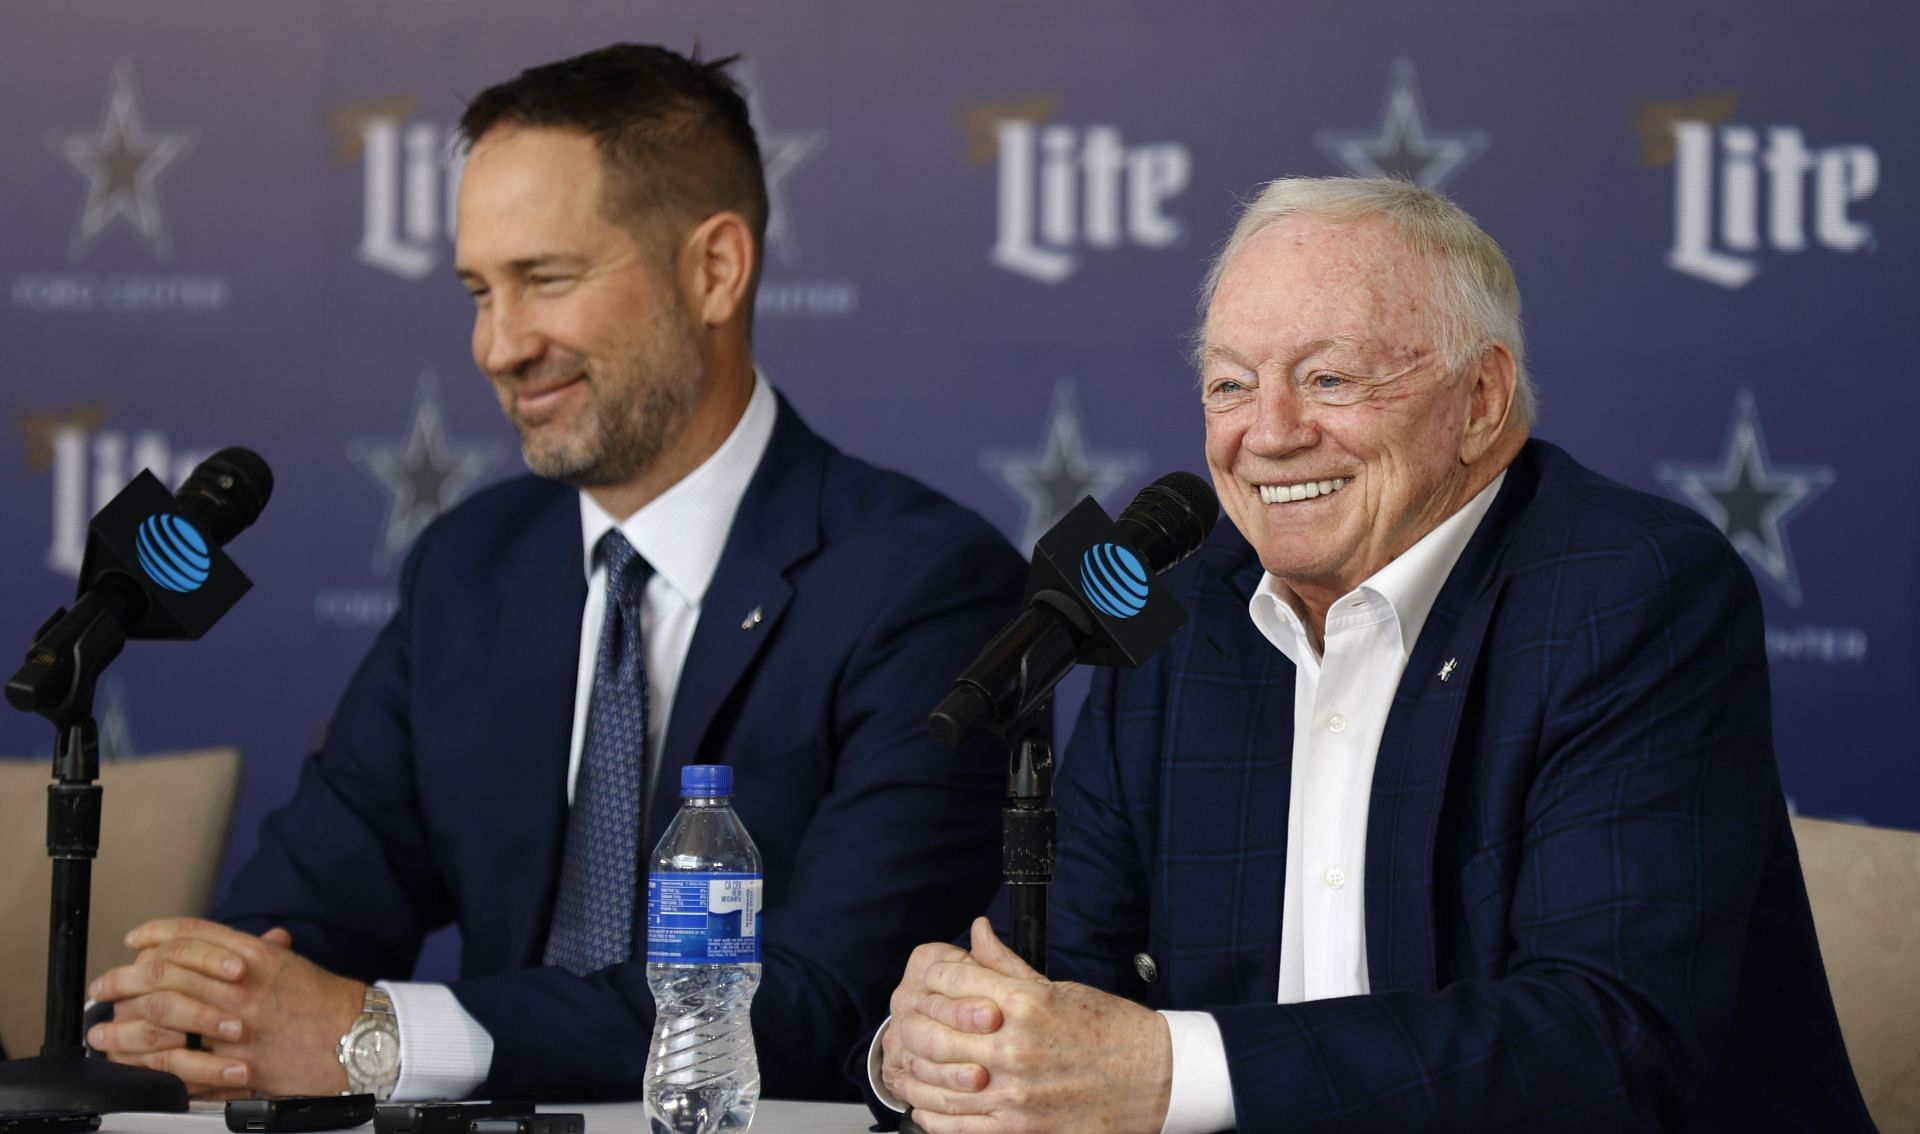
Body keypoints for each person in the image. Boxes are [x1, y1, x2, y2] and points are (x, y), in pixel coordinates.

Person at [85, 43, 1023, 1104]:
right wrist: (202, 1007)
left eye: (546, 279)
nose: (497, 343)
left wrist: (385, 1034)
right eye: (480, 290)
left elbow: (830, 1004)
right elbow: (312, 901)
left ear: (715, 270)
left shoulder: (924, 584)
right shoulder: (470, 568)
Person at [875, 178, 1872, 1132]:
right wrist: (935, 1046)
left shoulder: (1632, 591)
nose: (1268, 435)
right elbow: (1058, 982)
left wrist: (1169, 1070)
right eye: (1230, 384)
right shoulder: (1191, 603)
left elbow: (1606, 1041)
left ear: (1482, 396)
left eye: (1329, 378)